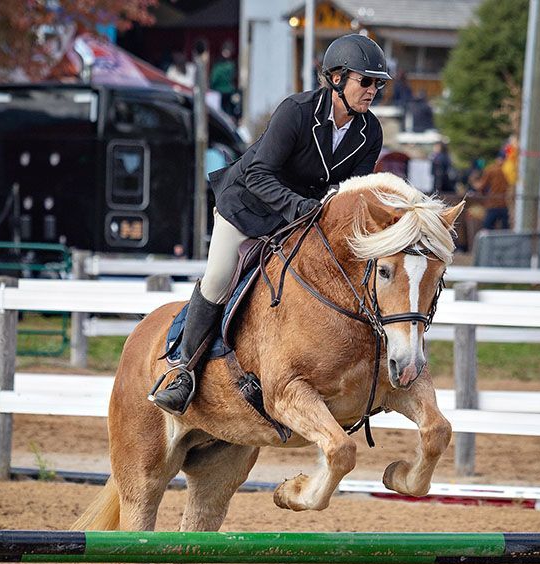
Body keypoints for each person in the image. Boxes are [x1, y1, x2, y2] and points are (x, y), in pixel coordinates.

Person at [151, 33, 389, 415]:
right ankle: (183, 372)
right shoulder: (295, 112)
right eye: (366, 81)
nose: (373, 90)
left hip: (303, 217)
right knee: (218, 279)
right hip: (249, 206)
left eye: (378, 83)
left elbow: (352, 191)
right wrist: (300, 207)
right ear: (336, 78)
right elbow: (261, 173)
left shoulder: (370, 133)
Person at [473, 149, 510, 230]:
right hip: (505, 203)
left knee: (487, 228)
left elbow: (482, 186)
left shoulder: (491, 169)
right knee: (505, 230)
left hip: (493, 203)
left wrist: (476, 185)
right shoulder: (508, 171)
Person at [210, 41, 238, 117]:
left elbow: (214, 79)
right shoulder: (231, 65)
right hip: (227, 91)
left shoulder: (219, 65)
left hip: (220, 92)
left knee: (220, 112)